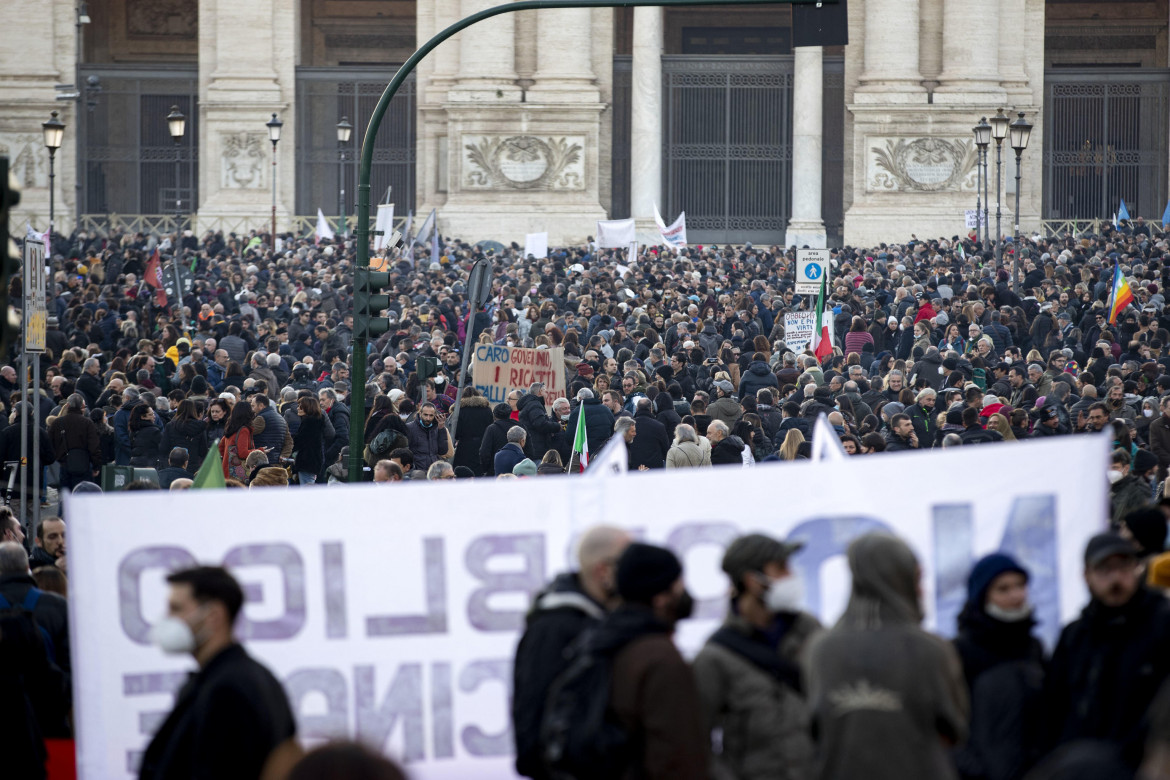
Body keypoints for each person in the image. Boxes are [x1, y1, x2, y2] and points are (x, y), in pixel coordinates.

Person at [805, 532, 968, 780]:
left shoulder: (820, 649)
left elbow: (814, 730)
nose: (921, 590)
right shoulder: (929, 649)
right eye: (916, 578)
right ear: (900, 577)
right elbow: (953, 729)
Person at [139, 566, 297, 780]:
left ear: (213, 616)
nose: (167, 618)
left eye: (176, 609)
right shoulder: (252, 677)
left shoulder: (227, 689)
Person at [693, 533, 821, 780]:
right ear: (753, 581)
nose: (791, 576)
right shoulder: (716, 657)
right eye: (781, 569)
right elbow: (697, 741)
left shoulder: (812, 634)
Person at [576, 542, 707, 779]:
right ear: (660, 597)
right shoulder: (661, 659)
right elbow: (678, 756)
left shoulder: (603, 643)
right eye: (678, 584)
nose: (684, 591)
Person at [513, 525, 631, 779]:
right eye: (628, 562)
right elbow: (532, 713)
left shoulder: (609, 620)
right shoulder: (553, 628)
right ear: (603, 571)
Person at [1044, 532, 1170, 768]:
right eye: (1105, 569)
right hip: (1082, 766)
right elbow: (1055, 708)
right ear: (1087, 576)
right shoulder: (1075, 636)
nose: (1116, 578)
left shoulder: (1162, 625)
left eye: (1123, 567)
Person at [952, 553, 1046, 780]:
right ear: (983, 597)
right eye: (1003, 589)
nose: (1016, 595)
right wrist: (973, 769)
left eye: (1020, 585)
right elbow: (950, 724)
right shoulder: (961, 651)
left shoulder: (1034, 647)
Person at [48, 393, 102, 491]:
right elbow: (94, 447)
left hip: (65, 465)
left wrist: (59, 457)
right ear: (82, 406)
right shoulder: (87, 423)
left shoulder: (58, 423)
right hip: (84, 466)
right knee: (83, 497)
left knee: (65, 499)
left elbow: (50, 444)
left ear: (67, 405)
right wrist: (96, 466)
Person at [218, 400, 259, 482]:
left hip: (226, 472)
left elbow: (220, 448)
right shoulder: (244, 430)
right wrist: (260, 451)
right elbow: (243, 453)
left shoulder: (231, 429)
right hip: (238, 477)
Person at [406, 401, 453, 473]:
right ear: (420, 413)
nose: (428, 418)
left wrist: (441, 429)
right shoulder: (410, 428)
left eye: (431, 415)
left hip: (433, 471)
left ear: (434, 415)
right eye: (425, 415)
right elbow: (406, 451)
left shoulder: (438, 428)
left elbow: (443, 451)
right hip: (418, 471)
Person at [292, 395, 327, 485]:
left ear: (307, 408)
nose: (298, 408)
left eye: (300, 406)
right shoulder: (316, 421)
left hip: (307, 462)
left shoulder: (308, 422)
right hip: (313, 462)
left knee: (306, 487)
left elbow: (300, 441)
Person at [628, 398, 670, 469]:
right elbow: (666, 449)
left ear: (637, 409)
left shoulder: (629, 426)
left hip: (634, 469)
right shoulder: (659, 426)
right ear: (651, 409)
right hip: (654, 470)